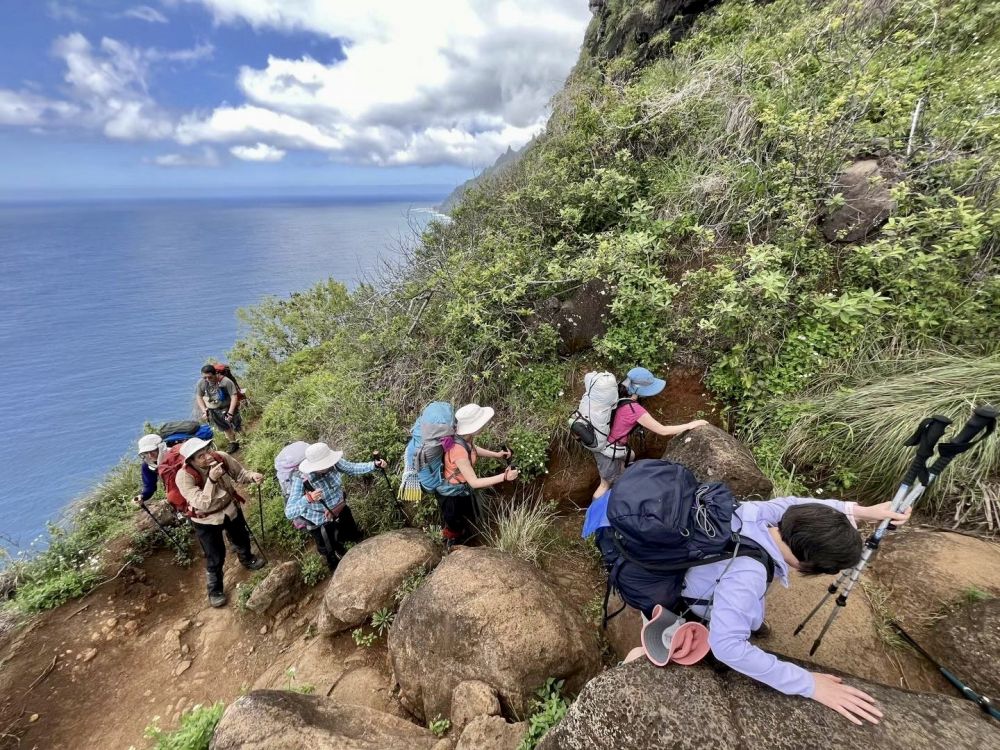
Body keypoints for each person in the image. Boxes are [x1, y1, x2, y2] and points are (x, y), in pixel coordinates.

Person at [676, 497, 910, 725]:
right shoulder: (748, 576)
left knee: (743, 604)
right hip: (695, 600)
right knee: (736, 618)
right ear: (806, 563)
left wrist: (862, 511)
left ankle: (751, 621)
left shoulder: (754, 513)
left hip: (701, 567)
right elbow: (727, 646)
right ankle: (727, 623)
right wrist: (809, 684)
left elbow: (793, 503)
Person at [592, 366, 708, 499]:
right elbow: (662, 430)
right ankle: (594, 511)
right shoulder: (634, 409)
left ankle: (618, 492)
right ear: (639, 390)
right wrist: (690, 425)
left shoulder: (617, 396)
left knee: (626, 465)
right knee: (605, 485)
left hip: (607, 444)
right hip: (607, 451)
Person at [175, 437, 265, 607]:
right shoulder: (184, 477)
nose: (208, 456)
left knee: (241, 537)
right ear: (191, 461)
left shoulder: (221, 457)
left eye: (207, 451)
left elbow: (240, 474)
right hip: (205, 519)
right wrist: (211, 480)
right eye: (201, 456)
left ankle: (247, 559)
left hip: (230, 508)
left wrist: (252, 476)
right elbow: (201, 503)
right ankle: (215, 589)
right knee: (214, 554)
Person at [284, 442, 387, 570]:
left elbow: (352, 468)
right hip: (321, 520)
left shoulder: (333, 463)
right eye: (324, 464)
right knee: (331, 550)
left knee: (353, 535)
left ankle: (360, 552)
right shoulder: (301, 480)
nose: (328, 465)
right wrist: (308, 499)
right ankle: (336, 566)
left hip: (340, 508)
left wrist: (374, 465)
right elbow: (289, 512)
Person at [437, 403, 519, 547]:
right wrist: (504, 477)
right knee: (455, 524)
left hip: (461, 490)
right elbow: (474, 482)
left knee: (465, 518)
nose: (485, 425)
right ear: (473, 427)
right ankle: (452, 544)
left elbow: (472, 449)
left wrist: (496, 455)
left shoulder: (464, 438)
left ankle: (465, 538)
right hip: (451, 496)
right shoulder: (458, 450)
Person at [195, 365, 242, 451]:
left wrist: (230, 412)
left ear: (216, 374)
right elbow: (199, 397)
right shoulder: (201, 383)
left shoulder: (226, 382)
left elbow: (234, 396)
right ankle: (233, 443)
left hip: (227, 407)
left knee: (237, 425)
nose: (207, 379)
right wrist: (204, 410)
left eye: (210, 377)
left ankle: (245, 439)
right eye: (205, 377)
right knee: (224, 427)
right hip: (213, 410)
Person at [133, 433, 165, 505]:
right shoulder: (147, 465)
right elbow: (150, 486)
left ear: (161, 447)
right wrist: (142, 496)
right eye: (146, 453)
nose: (150, 455)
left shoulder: (175, 456)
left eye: (153, 451)